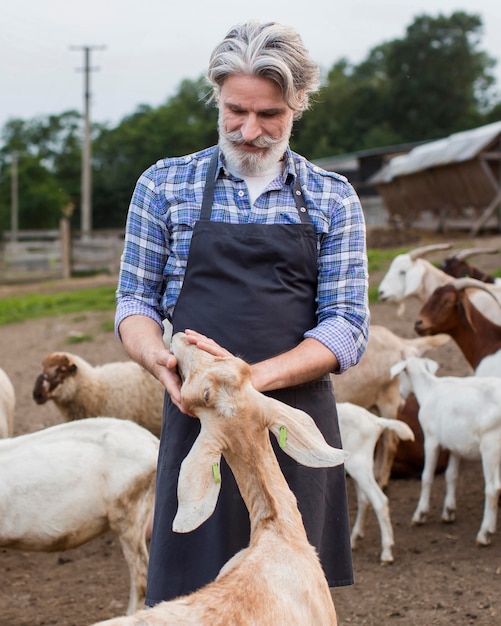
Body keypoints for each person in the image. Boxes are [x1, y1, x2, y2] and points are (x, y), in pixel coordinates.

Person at [115, 20, 370, 607]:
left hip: (292, 421)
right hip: (199, 416)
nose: (249, 130)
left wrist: (254, 380)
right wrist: (154, 354)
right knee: (196, 597)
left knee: (287, 600)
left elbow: (347, 325)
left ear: (299, 105)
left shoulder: (333, 196)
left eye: (270, 115)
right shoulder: (164, 185)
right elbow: (135, 302)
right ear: (216, 95)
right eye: (235, 110)